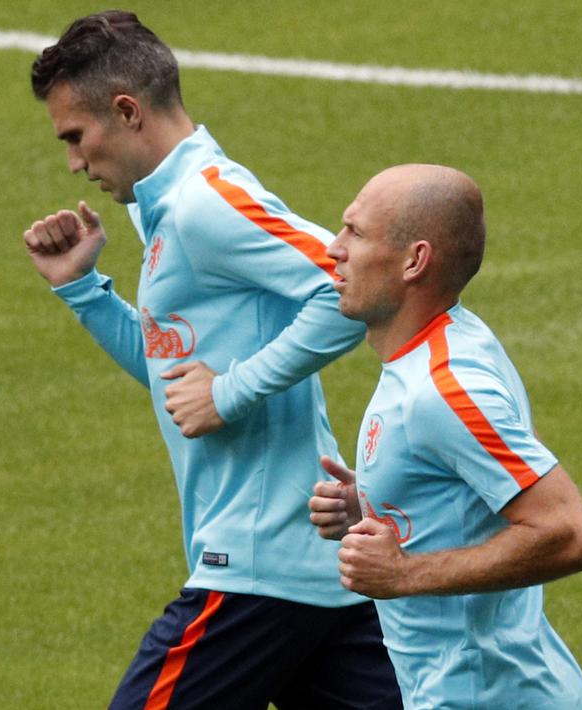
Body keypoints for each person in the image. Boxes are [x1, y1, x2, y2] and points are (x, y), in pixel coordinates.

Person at [22, 11, 401, 710]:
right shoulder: (165, 211)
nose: (74, 162)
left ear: (127, 111)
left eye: (75, 137)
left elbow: (348, 291)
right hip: (308, 573)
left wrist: (229, 393)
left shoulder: (206, 203)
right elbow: (176, 373)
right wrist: (82, 289)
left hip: (255, 568)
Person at [308, 164, 582, 709]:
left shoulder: (441, 391)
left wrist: (403, 573)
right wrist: (373, 503)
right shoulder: (445, 345)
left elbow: (570, 534)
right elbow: (463, 494)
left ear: (414, 261)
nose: (333, 249)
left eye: (356, 232)